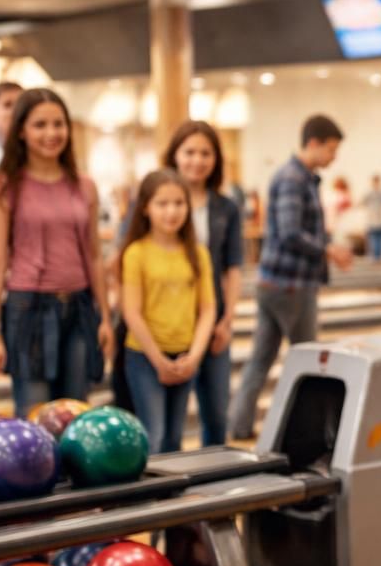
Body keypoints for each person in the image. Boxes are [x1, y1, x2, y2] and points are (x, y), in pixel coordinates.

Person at [0, 89, 111, 419]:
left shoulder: (84, 185)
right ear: (21, 130)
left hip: (79, 307)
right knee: (36, 413)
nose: (51, 133)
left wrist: (105, 317)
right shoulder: (3, 186)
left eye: (59, 124)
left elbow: (94, 254)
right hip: (29, 309)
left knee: (76, 413)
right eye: (40, 125)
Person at [227, 115, 353, 440]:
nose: (333, 157)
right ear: (313, 143)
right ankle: (307, 434)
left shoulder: (301, 177)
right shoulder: (293, 179)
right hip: (290, 285)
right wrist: (329, 250)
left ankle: (240, 426)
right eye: (331, 149)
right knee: (310, 361)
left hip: (279, 282)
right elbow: (290, 233)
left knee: (261, 359)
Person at [118, 169, 215, 453]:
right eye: (162, 204)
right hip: (145, 356)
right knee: (155, 435)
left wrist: (194, 356)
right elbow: (132, 312)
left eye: (178, 203)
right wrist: (159, 361)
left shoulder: (198, 253)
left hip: (185, 354)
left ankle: (170, 496)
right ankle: (149, 497)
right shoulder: (136, 252)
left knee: (174, 438)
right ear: (146, 208)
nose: (171, 211)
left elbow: (208, 309)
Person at [161, 120, 243, 446]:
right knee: (169, 424)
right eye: (190, 152)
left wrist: (228, 319)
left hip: (212, 322)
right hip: (167, 324)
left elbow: (232, 267)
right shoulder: (156, 199)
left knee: (216, 414)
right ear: (175, 155)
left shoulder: (225, 208)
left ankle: (215, 488)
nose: (197, 160)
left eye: (205, 153)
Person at [361, 173, 381, 262]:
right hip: (371, 221)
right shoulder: (369, 194)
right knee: (372, 241)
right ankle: (374, 257)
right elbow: (361, 203)